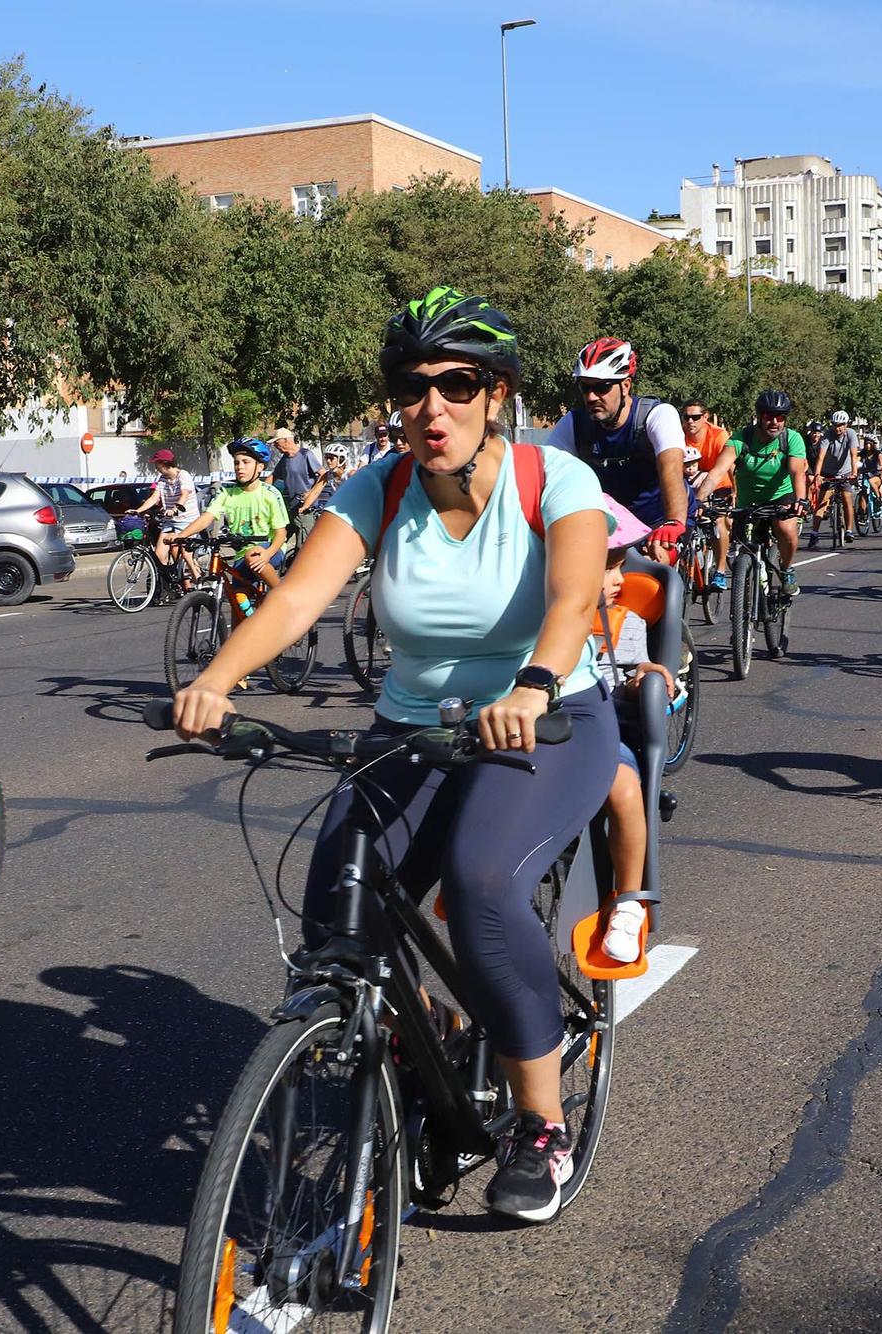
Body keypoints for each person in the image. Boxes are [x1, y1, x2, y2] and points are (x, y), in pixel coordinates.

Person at [168, 285, 618, 1223]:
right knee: (338, 909)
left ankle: (540, 1123)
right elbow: (295, 601)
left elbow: (575, 601)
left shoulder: (553, 480)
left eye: (457, 384)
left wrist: (532, 687)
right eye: (413, 388)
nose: (432, 408)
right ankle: (425, 1038)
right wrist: (219, 679)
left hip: (549, 717)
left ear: (496, 393)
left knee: (483, 881)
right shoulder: (384, 485)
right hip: (414, 727)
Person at [592, 499, 678, 965]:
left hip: (604, 726)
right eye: (607, 569)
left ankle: (628, 900)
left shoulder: (626, 621)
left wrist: (645, 671)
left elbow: (631, 668)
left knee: (623, 786)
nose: (618, 581)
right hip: (543, 729)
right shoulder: (534, 616)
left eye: (620, 568)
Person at [546, 336, 687, 562]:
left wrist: (673, 521)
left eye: (602, 387)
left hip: (661, 521)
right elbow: (546, 475)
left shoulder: (656, 415)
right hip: (612, 528)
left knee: (654, 577)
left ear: (626, 385)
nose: (591, 397)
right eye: (585, 387)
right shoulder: (574, 423)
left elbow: (671, 467)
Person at [167, 439, 290, 613]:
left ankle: (284, 597)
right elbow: (207, 517)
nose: (240, 467)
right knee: (237, 603)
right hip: (242, 554)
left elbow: (280, 533)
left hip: (269, 548)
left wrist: (268, 553)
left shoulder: (269, 494)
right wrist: (182, 535)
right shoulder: (227, 492)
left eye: (246, 462)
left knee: (252, 555)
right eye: (236, 462)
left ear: (260, 467)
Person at [726, 390, 809, 596]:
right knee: (743, 550)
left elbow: (797, 472)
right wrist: (699, 499)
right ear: (759, 416)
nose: (774, 421)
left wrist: (800, 499)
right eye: (768, 416)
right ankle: (744, 594)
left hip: (780, 497)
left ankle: (787, 569)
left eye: (780, 417)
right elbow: (718, 470)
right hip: (748, 502)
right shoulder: (741, 438)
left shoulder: (792, 438)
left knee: (786, 529)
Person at [683, 397, 737, 587]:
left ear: (705, 417)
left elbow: (730, 466)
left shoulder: (718, 435)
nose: (690, 422)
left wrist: (735, 491)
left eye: (695, 417)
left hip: (718, 482)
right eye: (686, 417)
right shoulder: (679, 435)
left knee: (718, 521)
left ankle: (720, 571)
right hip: (690, 483)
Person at [129, 447, 202, 584]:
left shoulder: (183, 475)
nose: (155, 467)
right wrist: (138, 511)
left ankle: (198, 579)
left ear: (164, 463)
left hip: (188, 521)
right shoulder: (162, 479)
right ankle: (171, 581)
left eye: (156, 463)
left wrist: (175, 509)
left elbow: (184, 494)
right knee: (159, 555)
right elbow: (153, 498)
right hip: (170, 522)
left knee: (186, 553)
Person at [810, 409, 861, 543]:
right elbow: (820, 457)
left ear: (846, 425)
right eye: (835, 425)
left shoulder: (851, 434)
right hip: (828, 473)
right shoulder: (827, 435)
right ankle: (814, 534)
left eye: (840, 425)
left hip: (845, 473)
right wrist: (817, 475)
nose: (837, 428)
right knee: (822, 503)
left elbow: (853, 454)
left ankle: (849, 530)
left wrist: (854, 473)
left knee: (846, 500)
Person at [268, 428, 329, 534]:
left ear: (286, 440)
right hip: (290, 508)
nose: (275, 446)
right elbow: (273, 476)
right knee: (280, 538)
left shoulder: (305, 455)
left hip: (306, 510)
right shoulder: (284, 459)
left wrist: (310, 493)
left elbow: (323, 474)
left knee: (303, 545)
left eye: (276, 443)